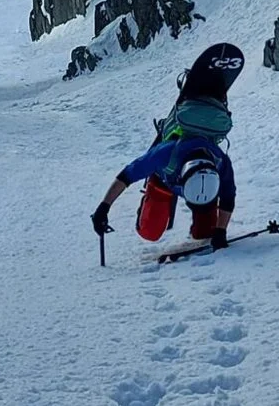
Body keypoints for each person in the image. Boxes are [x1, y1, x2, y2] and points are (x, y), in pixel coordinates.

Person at [90, 43, 245, 251]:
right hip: (164, 179)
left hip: (202, 188)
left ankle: (206, 221)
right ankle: (151, 206)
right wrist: (103, 208)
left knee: (205, 233)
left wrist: (220, 232)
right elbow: (126, 175)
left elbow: (228, 198)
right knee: (149, 232)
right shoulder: (165, 153)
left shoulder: (220, 162)